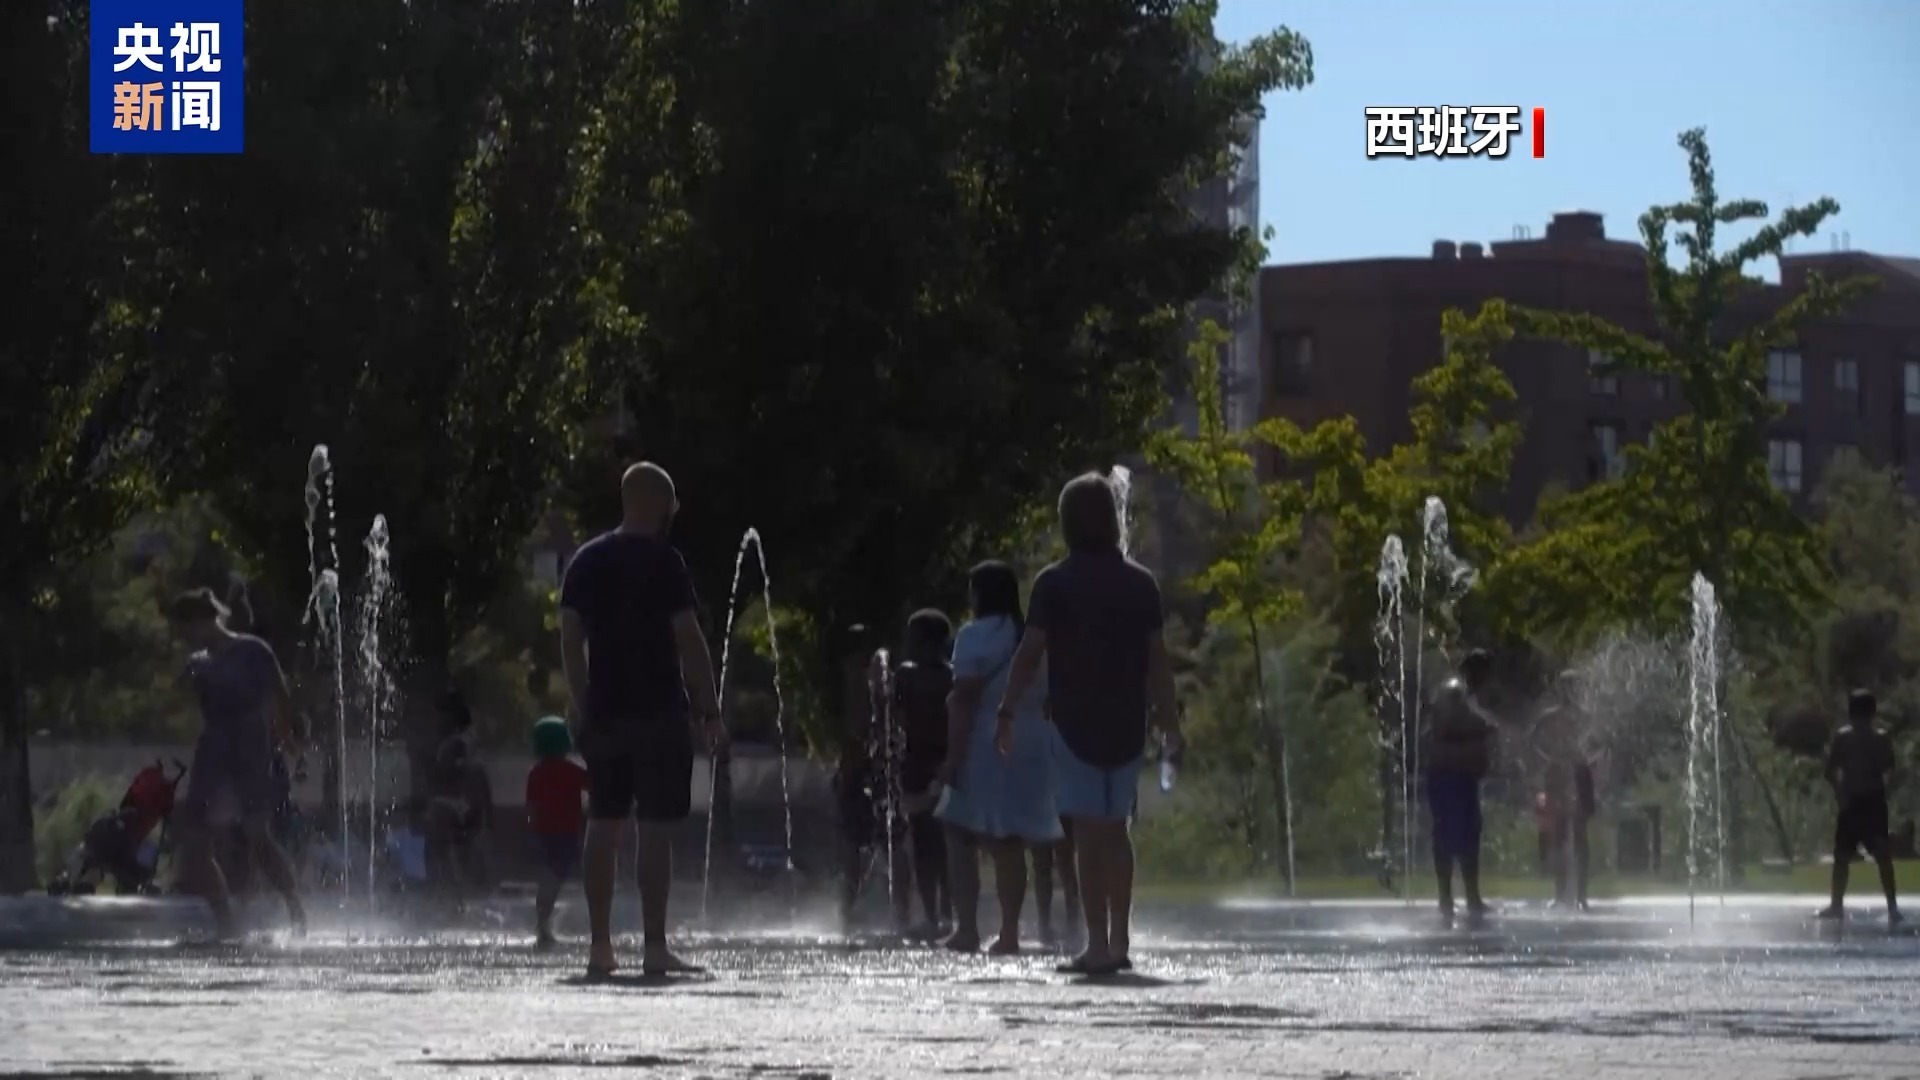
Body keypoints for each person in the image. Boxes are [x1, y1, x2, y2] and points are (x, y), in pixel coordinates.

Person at [995, 474, 1180, 975]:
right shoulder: (1141, 583)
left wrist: (1007, 709)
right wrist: (1170, 722)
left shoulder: (1054, 583)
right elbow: (1157, 661)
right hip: (1127, 724)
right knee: (1116, 831)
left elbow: (1030, 653)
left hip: (1074, 722)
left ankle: (1098, 944)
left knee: (1087, 836)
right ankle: (1118, 939)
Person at [559, 462, 728, 977]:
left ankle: (600, 948)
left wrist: (582, 701)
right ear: (656, 503)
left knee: (603, 824)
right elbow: (690, 640)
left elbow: (569, 639)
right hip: (659, 710)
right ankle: (654, 946)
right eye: (671, 506)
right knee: (655, 828)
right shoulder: (665, 561)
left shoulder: (585, 560)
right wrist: (710, 711)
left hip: (605, 712)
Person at [164, 588, 307, 939]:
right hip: (213, 753)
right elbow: (176, 703)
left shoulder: (253, 651)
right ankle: (227, 927)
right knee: (196, 846)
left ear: (203, 620)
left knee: (257, 835)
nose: (183, 638)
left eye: (185, 629)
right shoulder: (198, 662)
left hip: (251, 750)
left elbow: (281, 699)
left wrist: (291, 744)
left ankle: (295, 910)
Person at [935, 563, 1062, 954]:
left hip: (986, 745)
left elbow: (965, 702)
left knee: (958, 829)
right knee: (1013, 839)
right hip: (1034, 746)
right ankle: (1009, 930)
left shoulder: (974, 636)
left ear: (979, 595)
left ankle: (968, 928)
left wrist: (951, 760)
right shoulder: (1032, 636)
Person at [890, 609, 955, 938]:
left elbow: (893, 717)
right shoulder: (954, 675)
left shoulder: (905, 674)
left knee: (922, 840)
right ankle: (948, 913)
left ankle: (930, 915)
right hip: (948, 764)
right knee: (946, 842)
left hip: (915, 764)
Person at [1424, 648, 1496, 922]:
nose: (1487, 682)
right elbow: (1444, 728)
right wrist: (1480, 729)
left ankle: (1472, 897)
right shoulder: (1453, 691)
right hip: (1447, 776)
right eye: (1485, 675)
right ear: (1475, 671)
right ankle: (1446, 898)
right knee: (1446, 835)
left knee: (1469, 835)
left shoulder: (1465, 695)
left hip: (1462, 777)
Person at [1818, 689, 1902, 923]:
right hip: (1863, 802)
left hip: (1861, 801)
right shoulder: (1855, 738)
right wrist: (1842, 794)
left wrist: (1841, 794)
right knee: (1848, 856)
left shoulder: (1860, 738)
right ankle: (1842, 905)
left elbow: (1831, 773)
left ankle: (1888, 907)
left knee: (1871, 856)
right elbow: (1891, 772)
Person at [526, 715, 590, 948]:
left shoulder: (535, 773)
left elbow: (531, 807)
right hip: (568, 832)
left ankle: (543, 921)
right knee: (561, 876)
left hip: (545, 833)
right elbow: (594, 785)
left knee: (549, 879)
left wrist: (531, 831)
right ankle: (545, 924)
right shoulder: (573, 771)